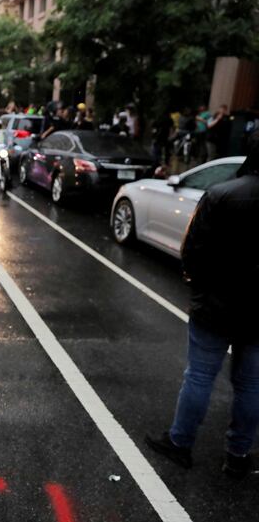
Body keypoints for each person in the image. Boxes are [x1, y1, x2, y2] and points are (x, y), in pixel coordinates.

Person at [146, 130, 259, 479]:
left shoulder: (221, 194)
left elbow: (192, 248)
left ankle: (180, 443)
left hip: (215, 304)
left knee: (199, 375)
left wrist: (195, 281)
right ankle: (238, 453)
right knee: (252, 384)